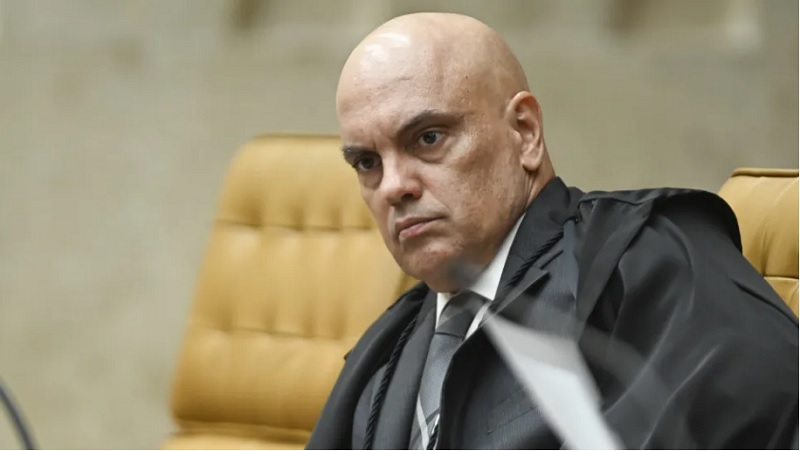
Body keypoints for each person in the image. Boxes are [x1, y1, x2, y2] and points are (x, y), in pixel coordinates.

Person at [306, 12, 799, 450]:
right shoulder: (388, 348)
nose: (394, 186)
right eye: (367, 162)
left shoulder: (642, 257)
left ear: (525, 132)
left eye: (428, 138)